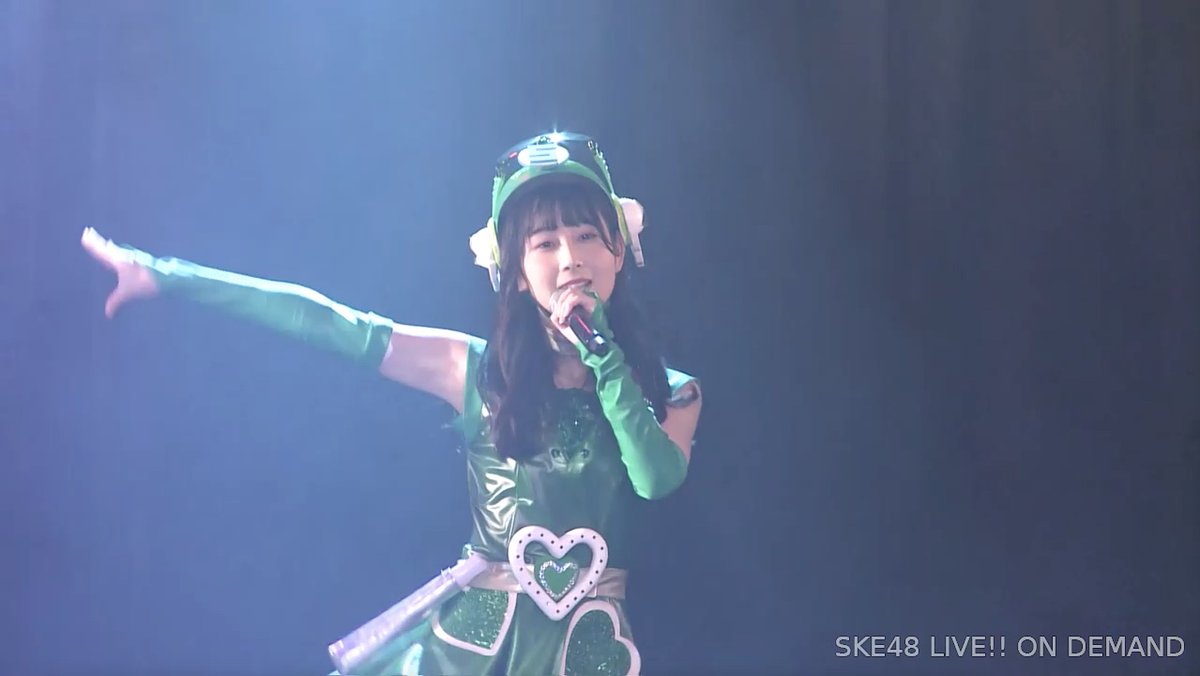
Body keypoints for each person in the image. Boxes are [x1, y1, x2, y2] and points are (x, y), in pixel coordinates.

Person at [82, 131, 702, 675]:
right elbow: (330, 324)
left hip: (590, 651)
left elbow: (655, 479)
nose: (570, 259)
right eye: (544, 243)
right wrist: (166, 273)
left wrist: (603, 356)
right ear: (514, 271)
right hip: (473, 650)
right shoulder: (476, 371)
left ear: (619, 248)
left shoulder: (673, 391)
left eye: (587, 235)